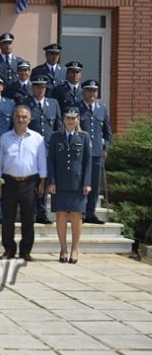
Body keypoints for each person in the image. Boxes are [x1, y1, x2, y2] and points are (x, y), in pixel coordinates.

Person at [0, 105, 48, 261]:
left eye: (24, 117)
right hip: (8, 182)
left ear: (29, 119)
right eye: (18, 116)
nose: (21, 119)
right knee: (7, 219)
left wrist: (42, 182)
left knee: (28, 219)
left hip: (29, 182)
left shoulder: (37, 138)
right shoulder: (5, 138)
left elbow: (42, 162)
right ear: (14, 118)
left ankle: (25, 251)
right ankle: (9, 250)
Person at [48, 107, 92, 264]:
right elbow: (51, 161)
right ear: (64, 120)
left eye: (74, 118)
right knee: (60, 215)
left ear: (78, 120)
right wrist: (51, 181)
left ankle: (74, 249)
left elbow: (88, 162)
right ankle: (63, 249)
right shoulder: (55, 137)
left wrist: (87, 183)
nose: (71, 121)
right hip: (59, 183)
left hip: (77, 184)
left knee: (76, 216)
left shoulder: (84, 137)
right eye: (68, 118)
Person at [23, 76, 62, 224]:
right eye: (38, 86)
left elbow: (58, 126)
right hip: (30, 148)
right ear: (33, 87)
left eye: (43, 87)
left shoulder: (53, 104)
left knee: (44, 181)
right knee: (31, 181)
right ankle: (31, 212)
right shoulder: (26, 104)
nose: (40, 89)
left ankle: (41, 211)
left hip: (47, 149)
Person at [78, 79, 112, 224]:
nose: (92, 93)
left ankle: (90, 213)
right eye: (89, 90)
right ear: (83, 92)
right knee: (79, 183)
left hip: (97, 153)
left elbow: (107, 131)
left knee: (94, 184)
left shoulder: (102, 108)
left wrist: (107, 147)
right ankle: (80, 212)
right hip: (80, 153)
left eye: (94, 91)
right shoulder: (77, 107)